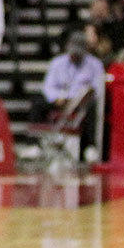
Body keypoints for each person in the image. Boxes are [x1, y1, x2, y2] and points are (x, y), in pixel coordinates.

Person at [35, 30, 106, 162]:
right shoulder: (57, 63)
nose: (75, 56)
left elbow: (98, 89)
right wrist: (58, 97)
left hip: (83, 104)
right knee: (37, 101)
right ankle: (34, 144)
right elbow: (48, 86)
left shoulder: (95, 65)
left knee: (94, 108)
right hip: (61, 100)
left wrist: (78, 99)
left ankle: (90, 147)